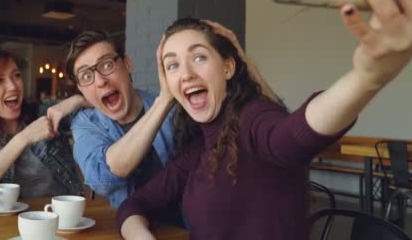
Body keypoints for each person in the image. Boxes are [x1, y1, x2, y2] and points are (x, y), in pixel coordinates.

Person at [117, 0, 412, 240]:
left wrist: (366, 78)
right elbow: (134, 205)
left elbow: (294, 133)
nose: (185, 73)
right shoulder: (197, 149)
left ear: (228, 67)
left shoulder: (254, 120)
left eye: (198, 57)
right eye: (172, 65)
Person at [66, 30, 280, 209]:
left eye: (106, 65)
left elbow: (275, 128)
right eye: (86, 76)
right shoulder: (86, 124)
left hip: (192, 225)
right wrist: (164, 99)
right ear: (81, 89)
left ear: (127, 64)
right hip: (131, 224)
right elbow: (103, 179)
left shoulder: (178, 106)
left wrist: (242, 59)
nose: (101, 81)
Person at [0, 49, 83, 201]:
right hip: (4, 223)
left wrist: (78, 100)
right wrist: (22, 139)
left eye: (16, 76)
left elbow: (101, 108)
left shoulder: (45, 113)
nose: (13, 86)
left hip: (59, 218)